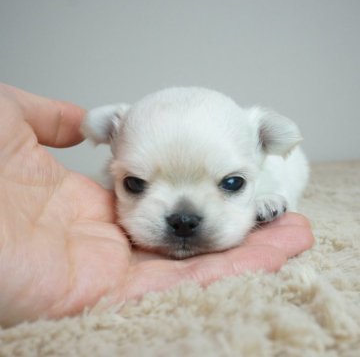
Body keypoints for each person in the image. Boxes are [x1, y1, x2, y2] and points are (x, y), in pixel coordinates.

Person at [0, 83, 313, 326]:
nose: (183, 220)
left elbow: (291, 164)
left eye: (231, 183)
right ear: (111, 138)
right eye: (137, 184)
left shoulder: (271, 154)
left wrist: (278, 198)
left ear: (264, 149)